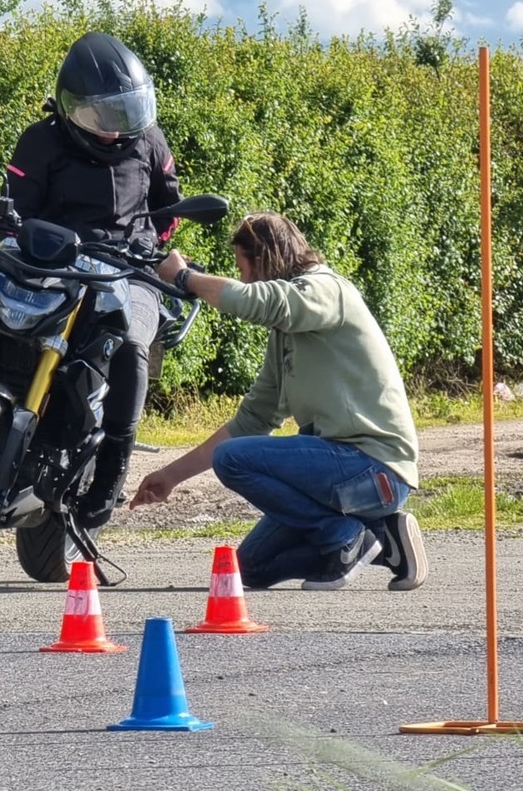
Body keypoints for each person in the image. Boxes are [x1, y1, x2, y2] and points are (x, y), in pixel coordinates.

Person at [130, 212, 428, 591]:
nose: (243, 279)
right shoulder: (286, 334)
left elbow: (257, 301)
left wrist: (183, 278)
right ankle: (383, 540)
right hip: (345, 474)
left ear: (265, 259)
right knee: (249, 569)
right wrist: (169, 476)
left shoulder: (326, 290)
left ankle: (343, 536)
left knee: (233, 458)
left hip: (373, 469)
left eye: (244, 268)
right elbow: (253, 419)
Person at [7, 31, 182, 530]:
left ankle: (110, 473)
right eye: (99, 117)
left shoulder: (148, 140)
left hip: (131, 268)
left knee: (130, 345)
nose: (112, 130)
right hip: (54, 263)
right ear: (69, 108)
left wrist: (144, 249)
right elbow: (16, 206)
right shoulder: (41, 140)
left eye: (123, 114)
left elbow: (167, 211)